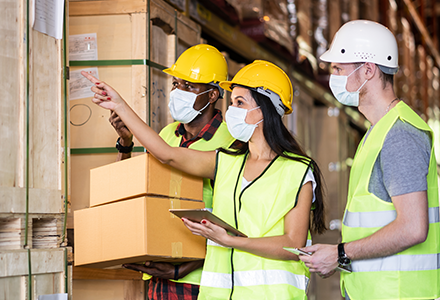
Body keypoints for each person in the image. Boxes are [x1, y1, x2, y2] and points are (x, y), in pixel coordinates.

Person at [82, 59, 326, 299]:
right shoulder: (226, 161)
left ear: (265, 108)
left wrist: (229, 240)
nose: (232, 111)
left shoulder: (297, 170)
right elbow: (167, 154)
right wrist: (120, 105)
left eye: (240, 102)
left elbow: (294, 244)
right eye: (232, 103)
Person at [299, 20, 440, 300]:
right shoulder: (375, 133)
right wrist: (337, 257)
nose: (333, 76)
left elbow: (413, 228)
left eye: (339, 68)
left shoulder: (400, 135)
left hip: (400, 294)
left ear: (368, 70)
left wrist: (340, 253)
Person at [112, 44, 236, 299]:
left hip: (203, 279)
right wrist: (125, 142)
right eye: (176, 84)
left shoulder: (231, 141)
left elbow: (237, 219)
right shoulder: (167, 135)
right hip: (160, 272)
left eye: (189, 86)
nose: (179, 92)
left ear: (213, 95)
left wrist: (181, 269)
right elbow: (137, 187)